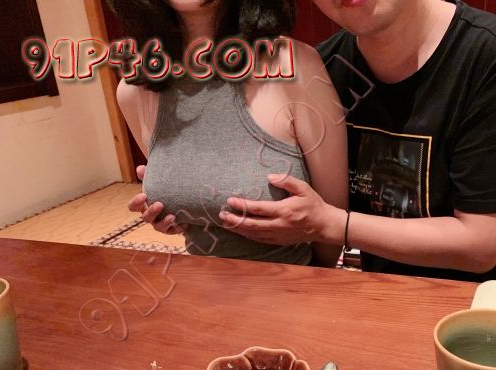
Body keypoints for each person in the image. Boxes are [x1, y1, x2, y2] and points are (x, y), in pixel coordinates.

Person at [133, 0, 496, 287]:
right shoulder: (325, 68)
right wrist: (191, 201)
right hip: (387, 289)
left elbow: (481, 246)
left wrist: (331, 224)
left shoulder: (494, 57)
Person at [113, 0, 348, 266]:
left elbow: (330, 228)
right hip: (198, 282)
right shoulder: (134, 90)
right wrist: (173, 208)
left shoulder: (294, 65)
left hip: (294, 282)